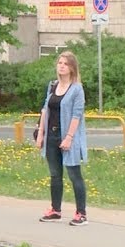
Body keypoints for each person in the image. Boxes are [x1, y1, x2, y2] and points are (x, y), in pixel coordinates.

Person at [36, 51, 89, 226]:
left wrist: (69, 138)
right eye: (60, 63)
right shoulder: (53, 86)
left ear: (72, 68)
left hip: (67, 137)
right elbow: (45, 110)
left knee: (74, 174)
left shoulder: (76, 89)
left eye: (65, 64)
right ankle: (55, 210)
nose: (61, 66)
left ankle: (81, 213)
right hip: (51, 136)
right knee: (55, 175)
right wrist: (41, 134)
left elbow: (76, 115)